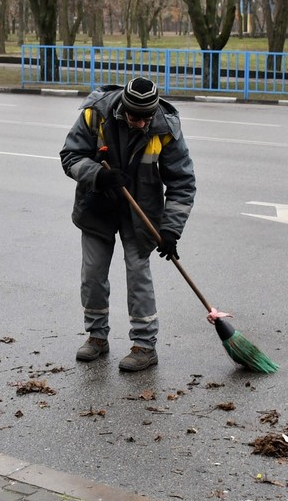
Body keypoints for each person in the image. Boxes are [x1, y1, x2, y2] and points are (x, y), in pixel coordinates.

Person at [60, 77, 196, 372]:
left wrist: (171, 230)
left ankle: (144, 346)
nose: (139, 123)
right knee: (93, 273)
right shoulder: (95, 113)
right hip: (98, 204)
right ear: (124, 107)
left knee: (138, 275)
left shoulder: (165, 128)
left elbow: (182, 183)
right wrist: (99, 175)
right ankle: (96, 337)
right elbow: (70, 156)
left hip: (141, 212)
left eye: (145, 118)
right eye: (134, 117)